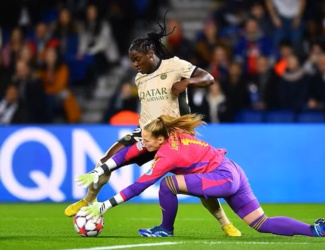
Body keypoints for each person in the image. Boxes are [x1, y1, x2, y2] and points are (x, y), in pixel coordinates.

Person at [64, 15, 241, 237]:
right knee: (105, 162)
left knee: (198, 184)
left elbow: (209, 78)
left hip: (176, 137)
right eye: (132, 61)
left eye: (137, 59)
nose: (135, 65)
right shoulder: (140, 78)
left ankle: (225, 223)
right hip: (146, 134)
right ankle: (88, 200)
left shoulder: (175, 65)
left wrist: (187, 82)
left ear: (150, 54)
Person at [78, 114, 325, 238]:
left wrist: (104, 205)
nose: (142, 145)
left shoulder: (167, 155)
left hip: (223, 177)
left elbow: (138, 186)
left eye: (146, 140)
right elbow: (130, 152)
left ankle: (165, 230)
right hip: (233, 170)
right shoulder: (171, 135)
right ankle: (315, 230)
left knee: (168, 184)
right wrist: (102, 169)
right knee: (261, 223)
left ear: (159, 139)